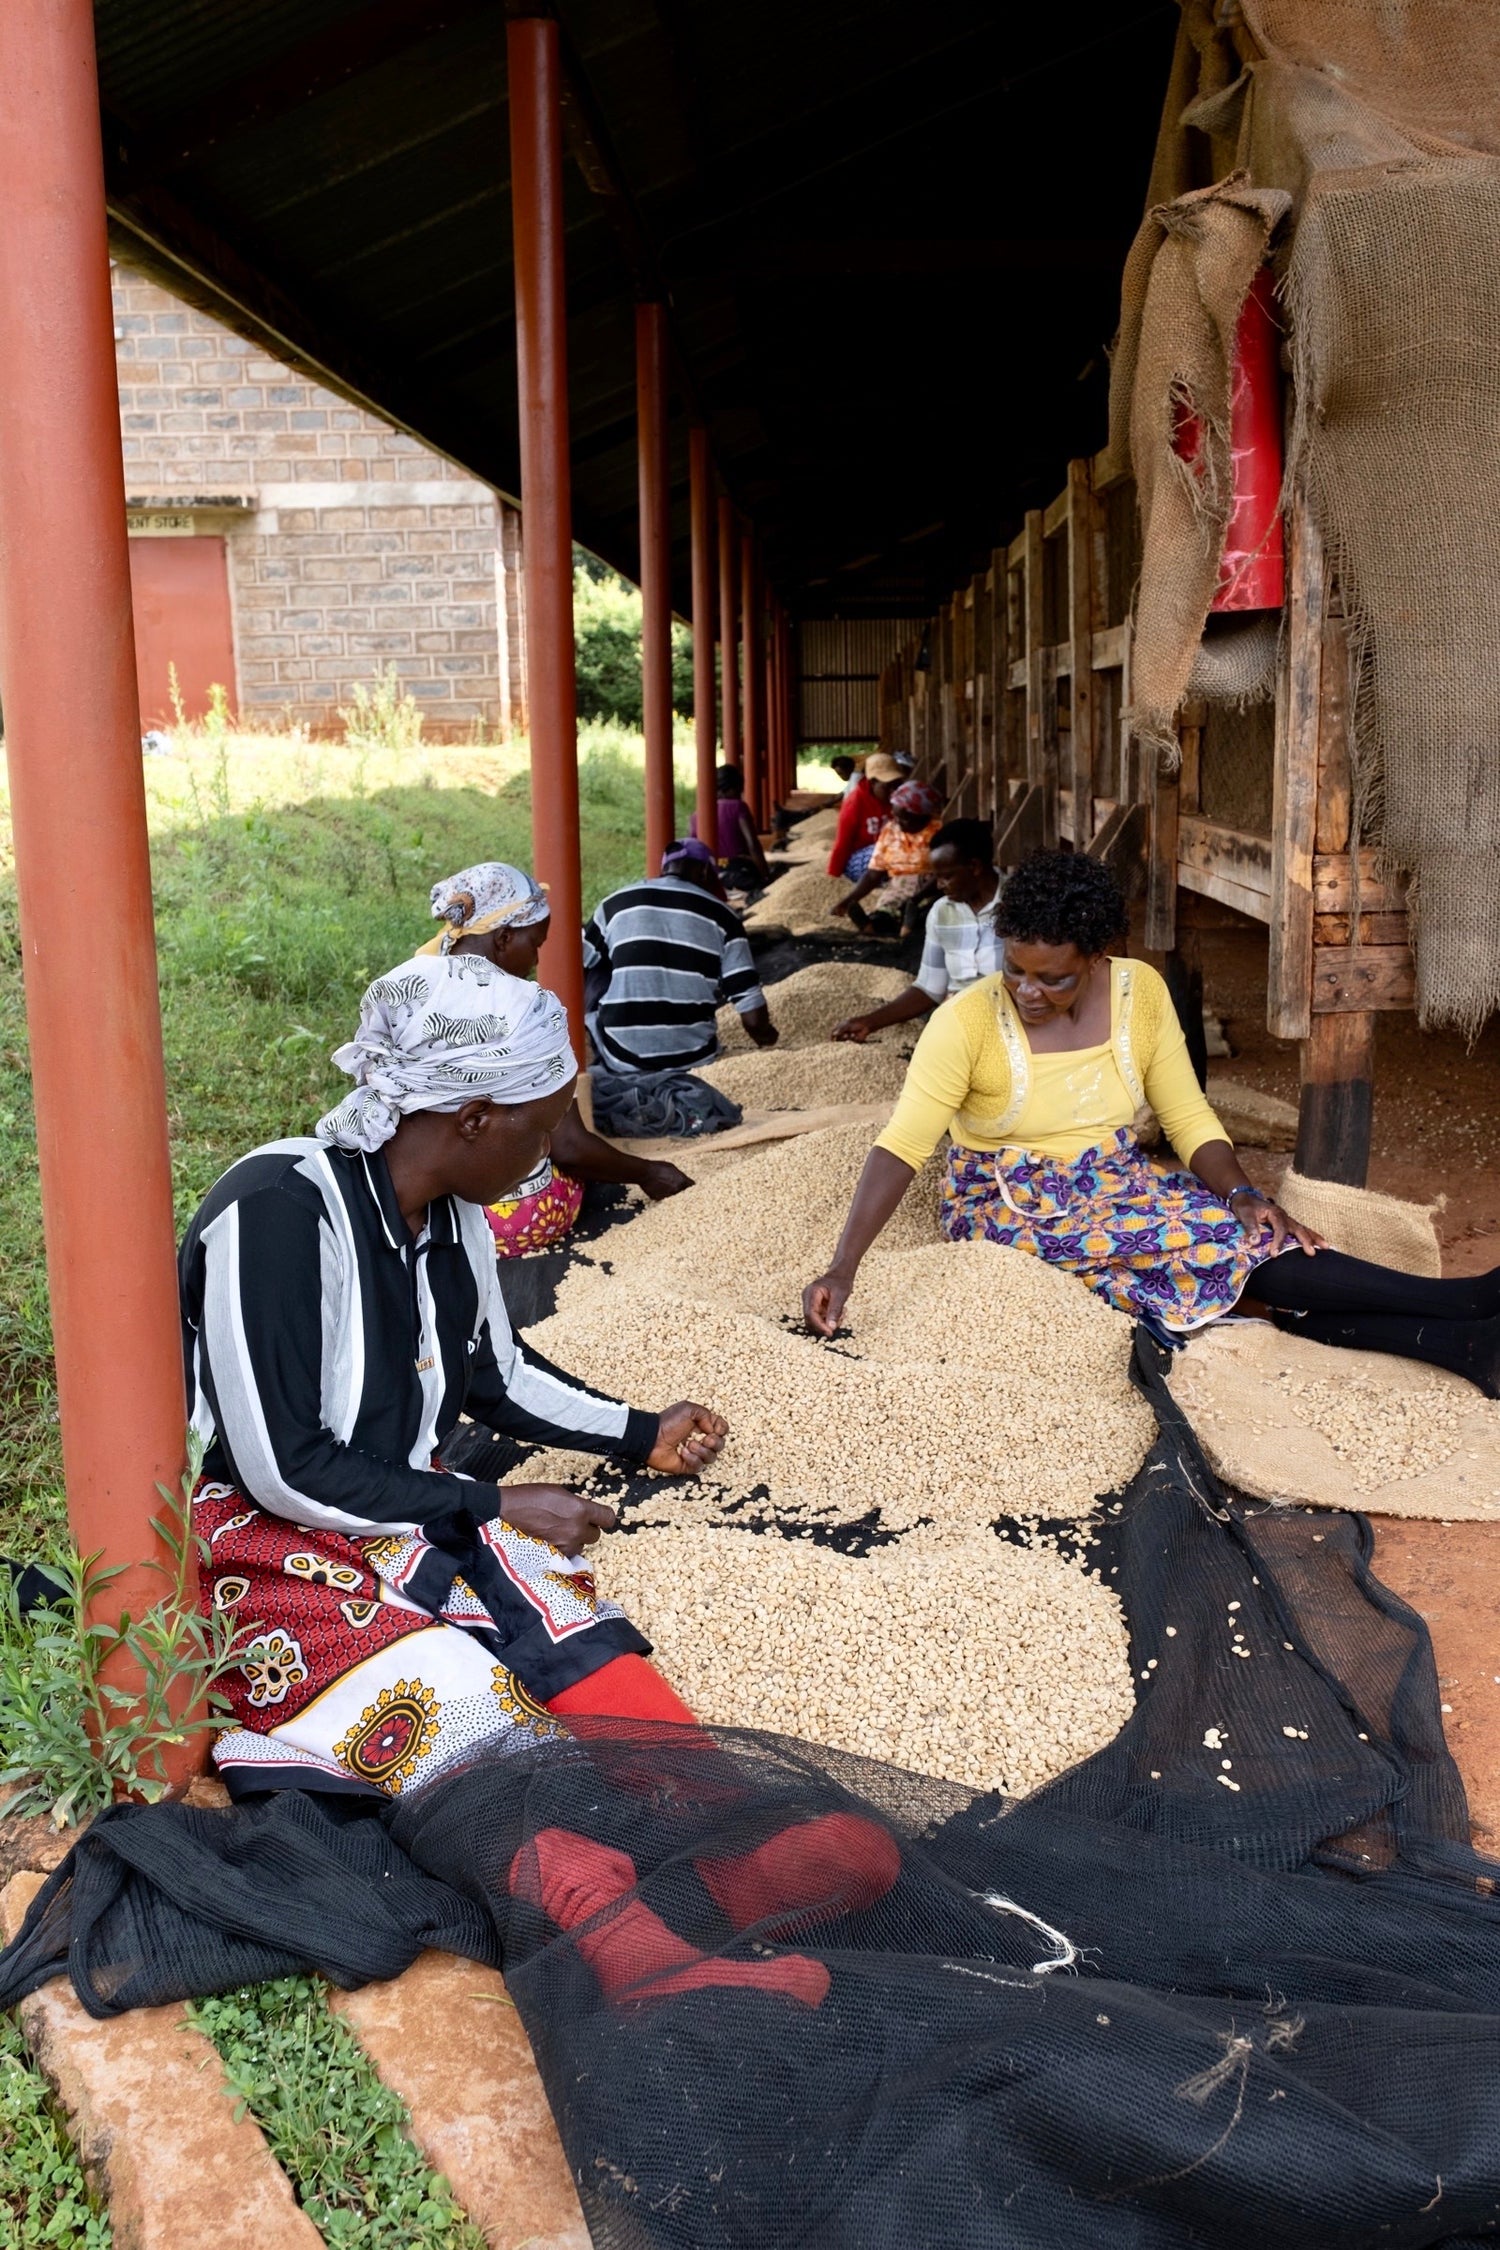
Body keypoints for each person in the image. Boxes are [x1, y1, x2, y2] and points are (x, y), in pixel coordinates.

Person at [182, 950, 730, 1799]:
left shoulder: (455, 1217)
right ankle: (617, 1914)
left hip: (402, 1504)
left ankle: (729, 1816)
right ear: (474, 1117)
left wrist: (640, 1433)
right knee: (461, 1710)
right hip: (260, 1538)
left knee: (559, 1625)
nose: (548, 1156)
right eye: (540, 1128)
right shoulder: (279, 1210)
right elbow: (283, 1470)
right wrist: (492, 1503)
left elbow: (492, 1373)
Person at [803, 850, 1500, 1393]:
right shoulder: (966, 1024)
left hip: (1113, 1181)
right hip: (1011, 1206)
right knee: (1204, 1249)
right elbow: (902, 1146)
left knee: (1239, 1231)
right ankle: (1459, 1307)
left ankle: (1463, 1341)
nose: (1027, 991)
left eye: (1053, 977)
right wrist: (844, 1265)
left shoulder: (1141, 993)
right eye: (1015, 969)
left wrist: (1244, 1194)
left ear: (1099, 954)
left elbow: (1187, 1112)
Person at [423, 863, 691, 1256]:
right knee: (558, 1158)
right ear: (504, 937)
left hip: (431, 1215)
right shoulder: (527, 1010)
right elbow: (571, 1148)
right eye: (534, 944)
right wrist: (650, 1173)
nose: (535, 959)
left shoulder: (411, 986)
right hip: (508, 1221)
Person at [583, 838, 776, 1079]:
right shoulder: (724, 918)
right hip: (693, 1058)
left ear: (665, 868)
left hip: (620, 1056)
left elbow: (575, 964)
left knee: (596, 960)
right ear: (705, 871)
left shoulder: (614, 904)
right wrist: (770, 1041)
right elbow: (753, 1016)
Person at [831, 820, 1003, 1042]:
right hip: (959, 1029)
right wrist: (869, 1022)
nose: (939, 885)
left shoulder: (1020, 905)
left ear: (975, 867)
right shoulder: (942, 913)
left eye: (946, 876)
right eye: (936, 876)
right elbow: (930, 987)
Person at [832, 778, 943, 934]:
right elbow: (873, 874)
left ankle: (909, 926)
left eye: (904, 818)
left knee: (925, 913)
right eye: (895, 816)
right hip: (898, 887)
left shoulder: (939, 832)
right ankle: (872, 926)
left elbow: (943, 874)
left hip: (929, 888)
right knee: (886, 912)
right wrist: (849, 900)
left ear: (922, 816)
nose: (897, 822)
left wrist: (917, 898)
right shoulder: (891, 830)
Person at [690, 763, 770, 887]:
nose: (741, 793)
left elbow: (693, 848)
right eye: (739, 789)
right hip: (739, 871)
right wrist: (765, 875)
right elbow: (752, 844)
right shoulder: (738, 807)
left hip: (711, 875)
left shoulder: (696, 815)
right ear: (729, 788)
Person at [826, 750, 901, 880]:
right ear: (872, 783)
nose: (892, 791)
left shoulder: (898, 799)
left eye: (896, 785)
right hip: (859, 859)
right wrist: (834, 874)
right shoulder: (855, 802)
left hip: (889, 857)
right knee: (884, 849)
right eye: (887, 786)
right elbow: (842, 843)